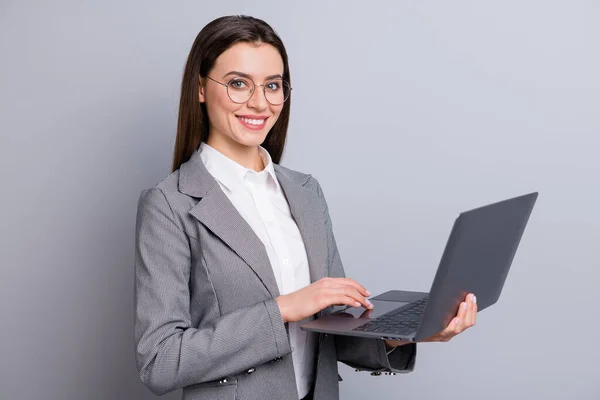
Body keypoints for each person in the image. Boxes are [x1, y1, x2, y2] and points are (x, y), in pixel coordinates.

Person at [134, 15, 477, 400]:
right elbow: (159, 360)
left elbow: (333, 333)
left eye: (273, 86)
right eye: (237, 84)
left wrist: (409, 333)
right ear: (200, 88)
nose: (260, 102)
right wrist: (281, 309)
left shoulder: (306, 192)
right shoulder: (169, 204)